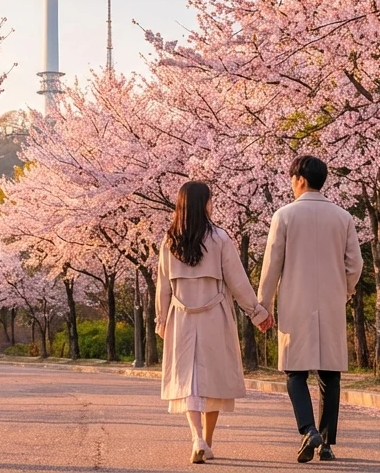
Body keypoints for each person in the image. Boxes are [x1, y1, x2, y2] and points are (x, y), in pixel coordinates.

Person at [156, 180, 273, 464]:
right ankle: (206, 441)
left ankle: (197, 438)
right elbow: (238, 282)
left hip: (181, 317)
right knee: (211, 379)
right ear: (204, 204)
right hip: (214, 316)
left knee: (188, 380)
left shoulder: (169, 241)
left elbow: (163, 287)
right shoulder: (219, 238)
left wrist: (161, 320)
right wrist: (257, 313)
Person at [257, 155, 363, 464]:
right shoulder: (343, 217)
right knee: (330, 374)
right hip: (331, 302)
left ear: (300, 179)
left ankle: (308, 430)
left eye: (292, 179)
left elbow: (272, 265)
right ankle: (326, 443)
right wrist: (344, 291)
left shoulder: (284, 215)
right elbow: (355, 263)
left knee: (295, 371)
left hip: (295, 302)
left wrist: (264, 305)